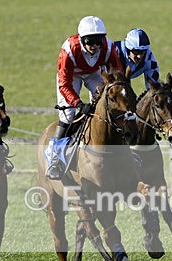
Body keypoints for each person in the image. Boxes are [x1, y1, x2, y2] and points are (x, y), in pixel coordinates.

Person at [46, 15, 124, 180]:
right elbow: (64, 84)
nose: (95, 46)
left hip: (94, 74)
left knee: (106, 105)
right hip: (71, 77)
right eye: (90, 41)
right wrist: (79, 104)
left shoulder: (108, 48)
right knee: (68, 115)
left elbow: (117, 75)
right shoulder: (69, 50)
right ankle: (54, 158)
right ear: (82, 39)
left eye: (98, 41)